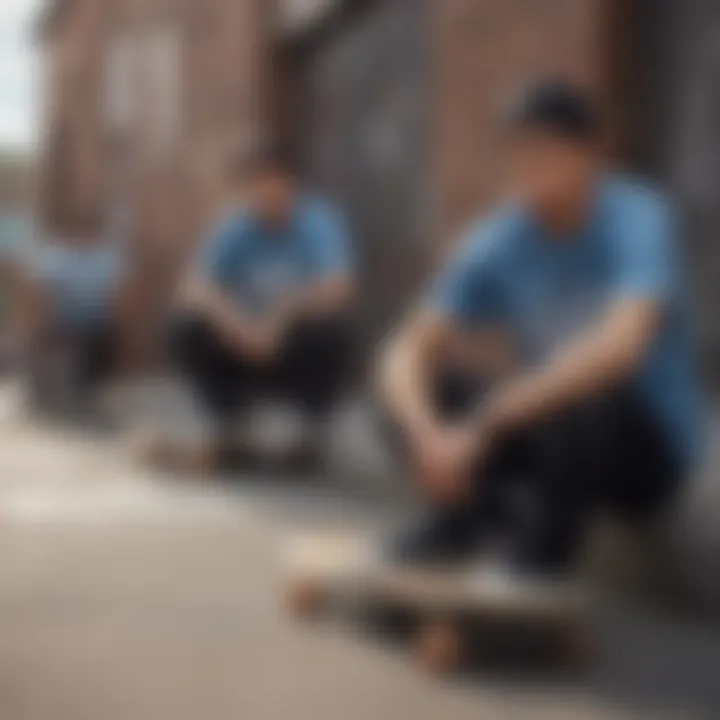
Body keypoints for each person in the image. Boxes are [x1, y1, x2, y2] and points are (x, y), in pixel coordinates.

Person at [379, 79, 701, 578]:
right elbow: (408, 346)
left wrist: (485, 423)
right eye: (519, 150)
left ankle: (538, 563)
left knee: (577, 390)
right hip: (550, 437)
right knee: (423, 389)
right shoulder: (501, 236)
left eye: (546, 148)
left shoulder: (636, 216)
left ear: (587, 153)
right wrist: (429, 435)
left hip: (642, 449)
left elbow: (619, 349)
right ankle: (462, 519)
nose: (529, 164)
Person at [166, 145, 355, 471]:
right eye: (258, 185)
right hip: (241, 339)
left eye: (275, 184)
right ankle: (231, 427)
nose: (267, 194)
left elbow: (338, 287)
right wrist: (234, 320)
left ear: (292, 185)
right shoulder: (234, 226)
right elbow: (194, 285)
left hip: (291, 341)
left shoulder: (318, 221)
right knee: (185, 325)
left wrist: (280, 318)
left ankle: (309, 432)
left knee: (335, 330)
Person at [25, 208, 125, 417]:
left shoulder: (106, 258)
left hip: (96, 321)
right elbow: (43, 291)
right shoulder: (58, 256)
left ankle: (88, 388)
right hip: (63, 320)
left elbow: (115, 296)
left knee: (101, 342)